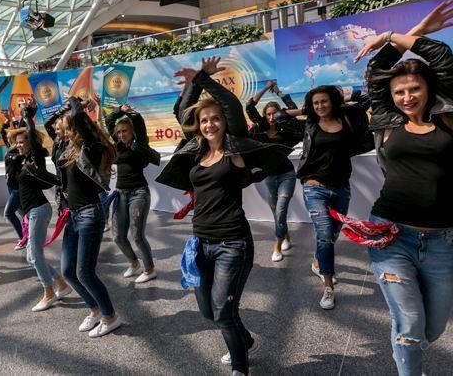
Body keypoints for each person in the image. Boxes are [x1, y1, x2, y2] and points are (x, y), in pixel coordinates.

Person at [157, 57, 291, 376]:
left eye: (215, 119)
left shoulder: (234, 148)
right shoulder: (196, 150)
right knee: (209, 312)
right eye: (204, 120)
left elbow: (230, 104)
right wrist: (193, 84)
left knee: (223, 312)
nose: (210, 125)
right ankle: (244, 340)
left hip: (233, 243)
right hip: (201, 242)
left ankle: (240, 368)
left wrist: (203, 78)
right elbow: (182, 112)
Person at [354, 0, 453, 376]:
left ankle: (406, 347)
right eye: (399, 92)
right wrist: (392, 45)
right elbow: (377, 69)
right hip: (392, 234)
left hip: (443, 239)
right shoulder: (387, 120)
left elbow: (442, 57)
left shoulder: (447, 116)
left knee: (433, 328)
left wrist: (396, 35)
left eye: (414, 88)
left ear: (427, 88)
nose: (407, 96)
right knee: (410, 324)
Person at [295, 84, 373, 310]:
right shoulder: (310, 124)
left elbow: (366, 98)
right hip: (314, 186)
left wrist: (345, 97)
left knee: (334, 233)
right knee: (325, 235)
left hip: (341, 187)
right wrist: (300, 109)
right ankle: (328, 287)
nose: (319, 106)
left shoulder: (346, 120)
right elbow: (280, 116)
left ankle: (318, 262)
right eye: (315, 103)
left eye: (324, 101)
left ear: (333, 102)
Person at [59, 96, 120, 338]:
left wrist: (75, 103)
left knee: (85, 272)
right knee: (68, 271)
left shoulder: (93, 149)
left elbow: (79, 120)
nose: (63, 131)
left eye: (67, 127)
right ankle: (94, 309)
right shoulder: (68, 151)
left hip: (89, 214)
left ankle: (110, 316)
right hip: (72, 216)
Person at [12, 101, 71, 312]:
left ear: (31, 142)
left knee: (35, 255)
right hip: (31, 213)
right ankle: (61, 285)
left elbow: (33, 139)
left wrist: (28, 117)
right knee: (31, 256)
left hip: (39, 210)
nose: (19, 145)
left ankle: (48, 292)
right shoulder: (24, 160)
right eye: (16, 142)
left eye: (22, 142)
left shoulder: (35, 157)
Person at [246, 81, 303, 262]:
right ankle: (286, 236)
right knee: (276, 212)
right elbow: (249, 106)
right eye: (268, 114)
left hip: (287, 174)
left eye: (274, 114)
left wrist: (279, 92)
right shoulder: (260, 129)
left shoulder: (286, 129)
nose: (271, 117)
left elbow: (293, 110)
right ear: (264, 116)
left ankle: (276, 246)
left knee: (281, 208)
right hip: (269, 176)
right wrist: (266, 87)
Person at [105, 104, 161, 283]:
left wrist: (129, 112)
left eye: (125, 131)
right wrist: (118, 110)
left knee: (137, 235)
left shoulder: (140, 144)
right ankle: (134, 263)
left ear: (132, 131)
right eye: (119, 132)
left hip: (139, 194)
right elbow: (109, 121)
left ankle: (149, 268)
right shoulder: (118, 146)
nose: (121, 134)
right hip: (120, 194)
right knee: (118, 236)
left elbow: (139, 123)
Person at [0, 118, 27, 249]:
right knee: (23, 214)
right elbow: (2, 132)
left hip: (17, 188)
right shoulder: (9, 148)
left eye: (10, 134)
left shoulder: (19, 149)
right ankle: (28, 235)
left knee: (9, 213)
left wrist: (22, 118)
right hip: (10, 186)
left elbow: (22, 130)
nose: (7, 135)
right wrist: (6, 121)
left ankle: (23, 238)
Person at [44, 103, 71, 214]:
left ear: (66, 129)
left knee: (71, 219)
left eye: (58, 129)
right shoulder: (57, 141)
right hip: (60, 186)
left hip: (71, 188)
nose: (55, 132)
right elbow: (47, 124)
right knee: (65, 217)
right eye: (55, 129)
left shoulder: (72, 144)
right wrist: (61, 111)